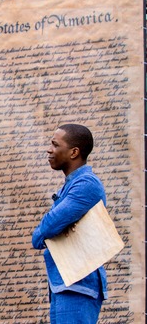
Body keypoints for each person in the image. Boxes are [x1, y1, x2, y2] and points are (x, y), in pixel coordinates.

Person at [32, 124, 107, 323]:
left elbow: (47, 227)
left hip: (79, 284)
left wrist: (44, 231)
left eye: (55, 145)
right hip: (65, 283)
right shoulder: (72, 184)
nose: (49, 150)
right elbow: (46, 232)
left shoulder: (86, 184)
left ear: (74, 152)